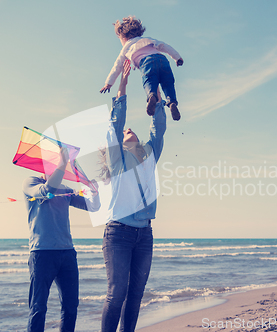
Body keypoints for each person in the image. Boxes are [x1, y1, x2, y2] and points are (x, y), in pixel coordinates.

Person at [100, 60, 166, 332]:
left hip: (145, 234)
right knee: (117, 294)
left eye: (131, 130)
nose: (128, 130)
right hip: (119, 232)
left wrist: (156, 93)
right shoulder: (116, 160)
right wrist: (123, 85)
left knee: (136, 295)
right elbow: (116, 125)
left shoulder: (150, 154)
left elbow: (158, 128)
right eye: (126, 131)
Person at [22, 147, 100, 332]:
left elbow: (93, 207)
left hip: (67, 254)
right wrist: (63, 162)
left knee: (71, 306)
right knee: (38, 307)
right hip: (42, 254)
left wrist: (95, 193)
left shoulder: (65, 190)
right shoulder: (31, 182)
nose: (54, 165)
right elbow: (47, 190)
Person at [99, 15, 184, 121]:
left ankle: (151, 96)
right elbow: (164, 46)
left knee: (149, 80)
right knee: (168, 83)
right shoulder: (148, 39)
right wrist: (177, 58)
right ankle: (172, 102)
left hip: (146, 62)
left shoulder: (126, 47)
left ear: (124, 38)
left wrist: (108, 83)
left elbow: (117, 66)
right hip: (163, 60)